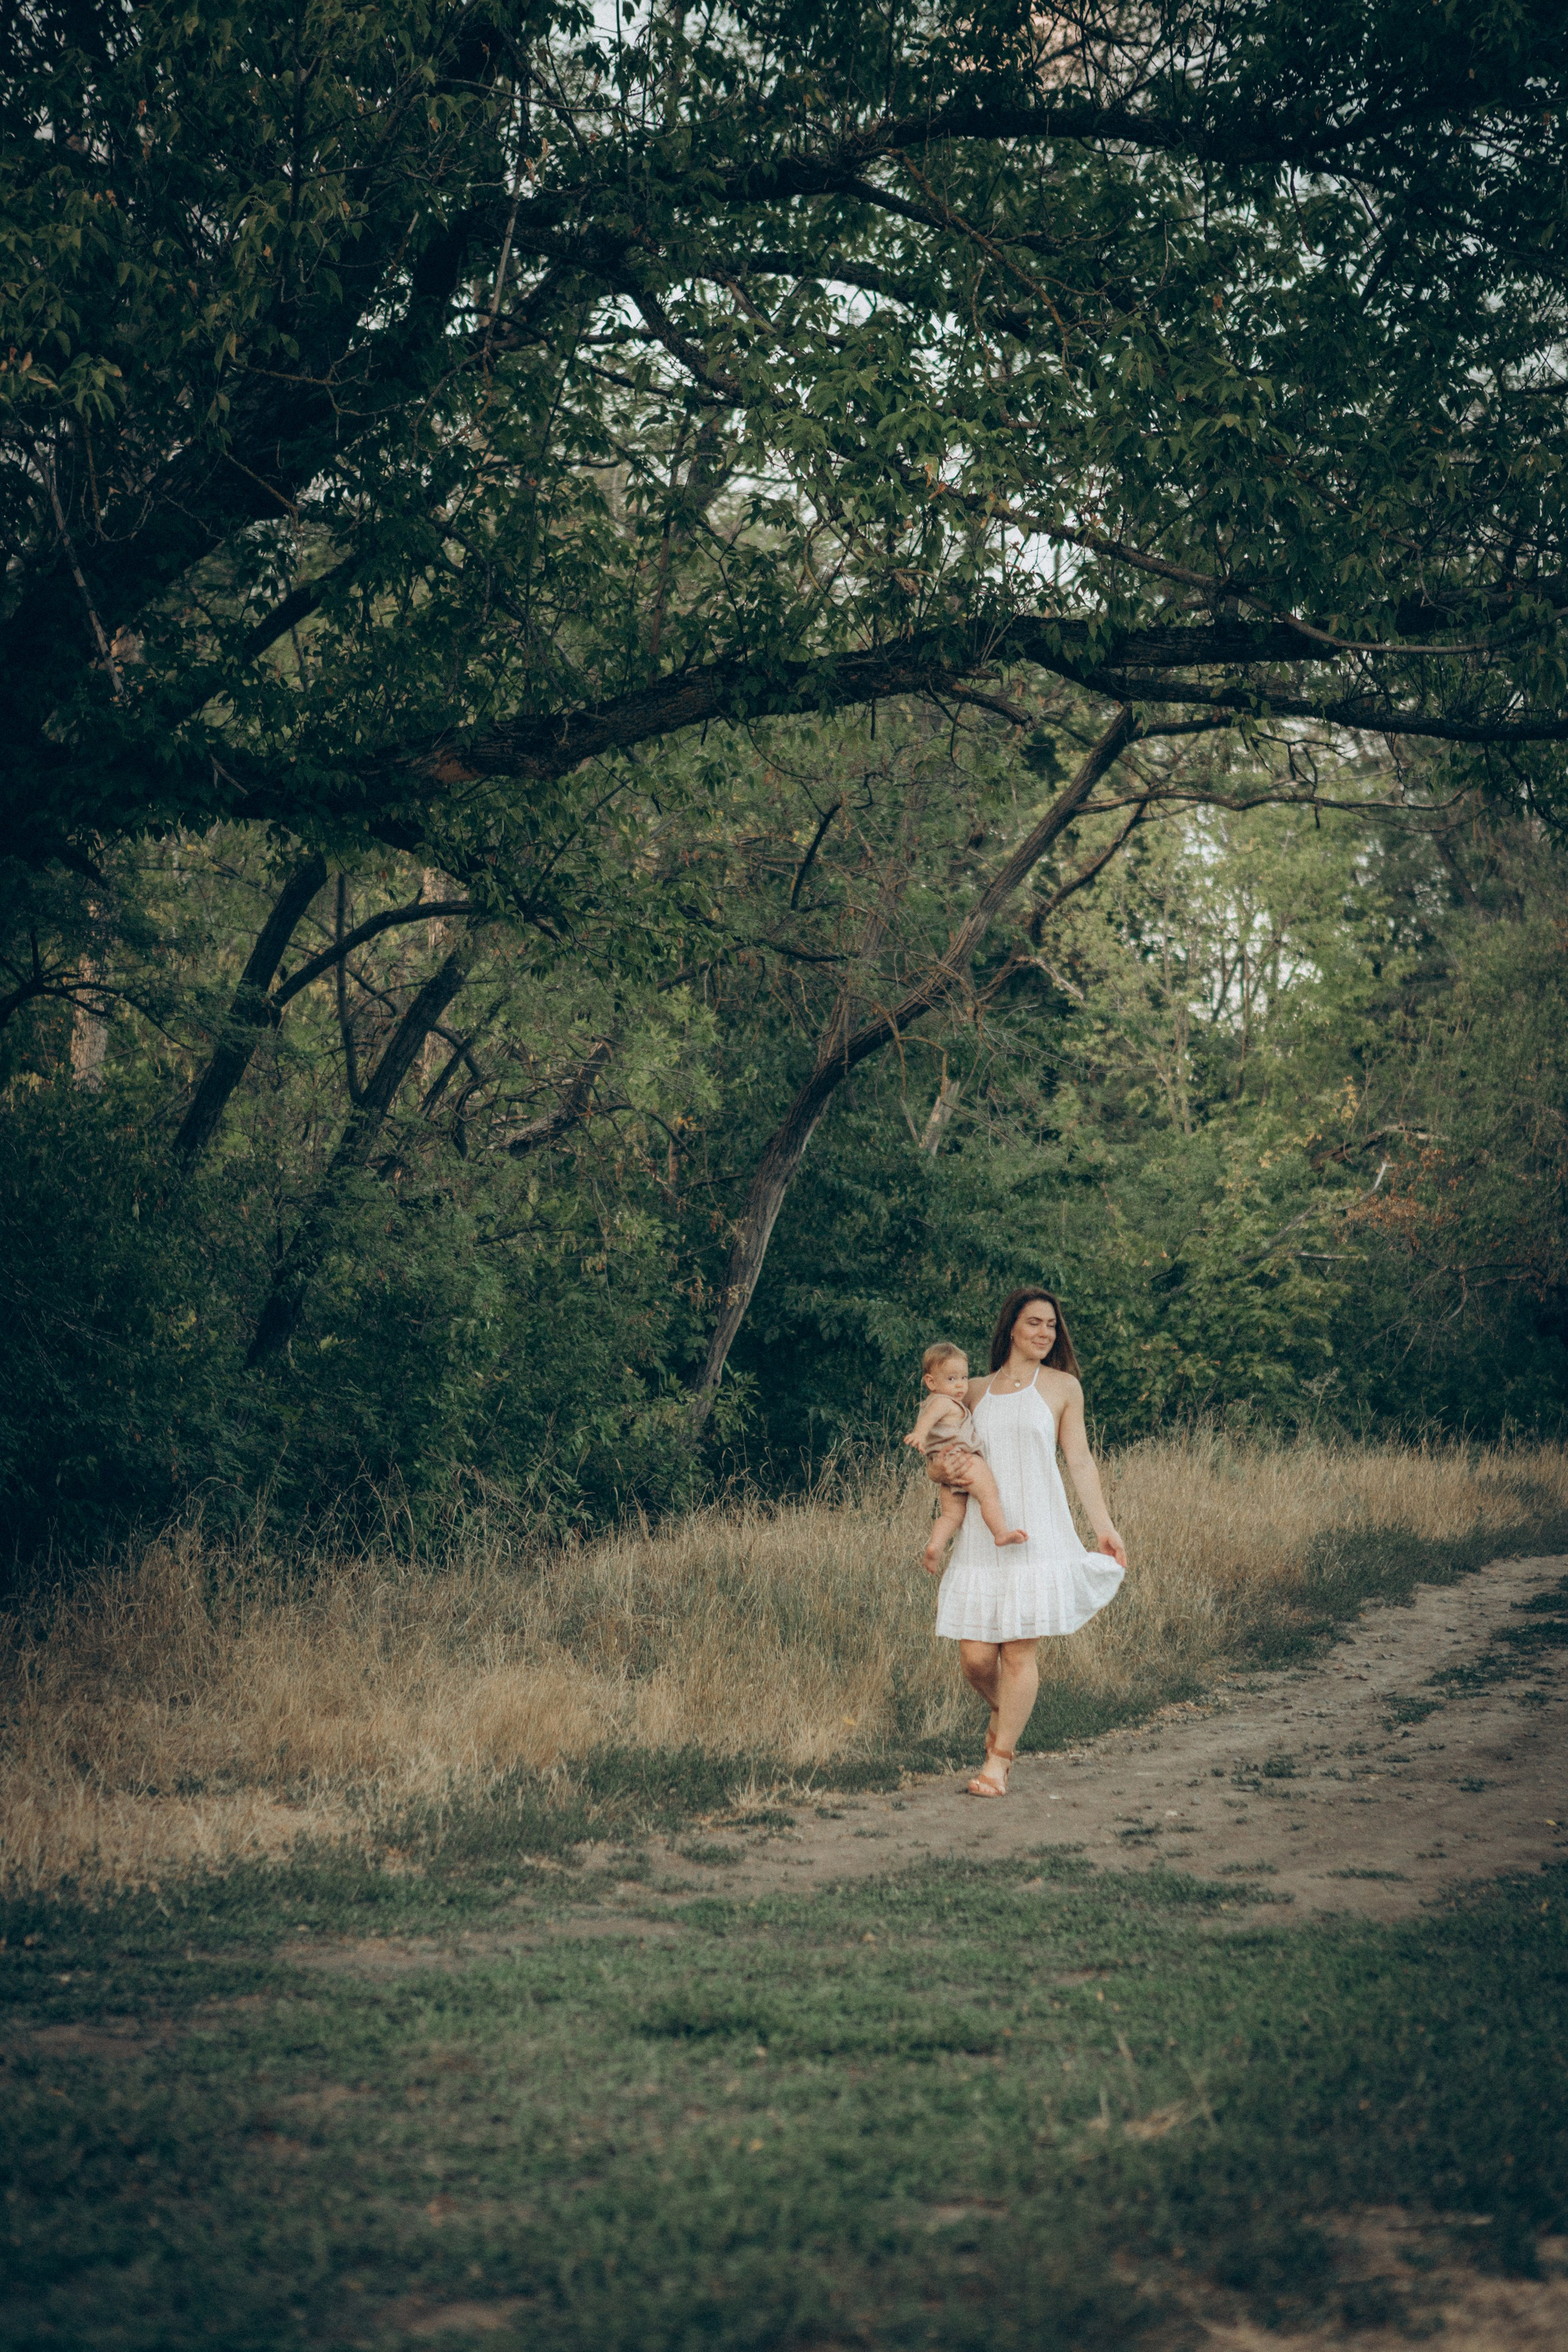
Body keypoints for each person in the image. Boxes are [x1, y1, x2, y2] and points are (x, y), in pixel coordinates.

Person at [932, 1288, 1126, 1799]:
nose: (1045, 1333)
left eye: (1052, 1326)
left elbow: (1080, 1461)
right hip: (983, 1535)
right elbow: (939, 1445)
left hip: (1038, 1531)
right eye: (1035, 1323)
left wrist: (1104, 1526)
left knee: (1018, 1653)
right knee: (975, 1658)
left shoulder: (1063, 1387)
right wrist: (940, 1467)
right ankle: (1006, 1712)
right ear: (1011, 1328)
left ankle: (999, 1761)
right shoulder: (972, 1389)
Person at [903, 1342, 1027, 1574]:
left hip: (946, 1468)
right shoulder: (943, 1402)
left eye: (963, 1377)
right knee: (989, 1494)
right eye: (951, 1379)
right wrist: (919, 1434)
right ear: (931, 1382)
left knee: (951, 1516)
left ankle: (935, 1547)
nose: (960, 1385)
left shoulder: (931, 1402)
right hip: (966, 1460)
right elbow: (928, 1420)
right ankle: (1000, 1533)